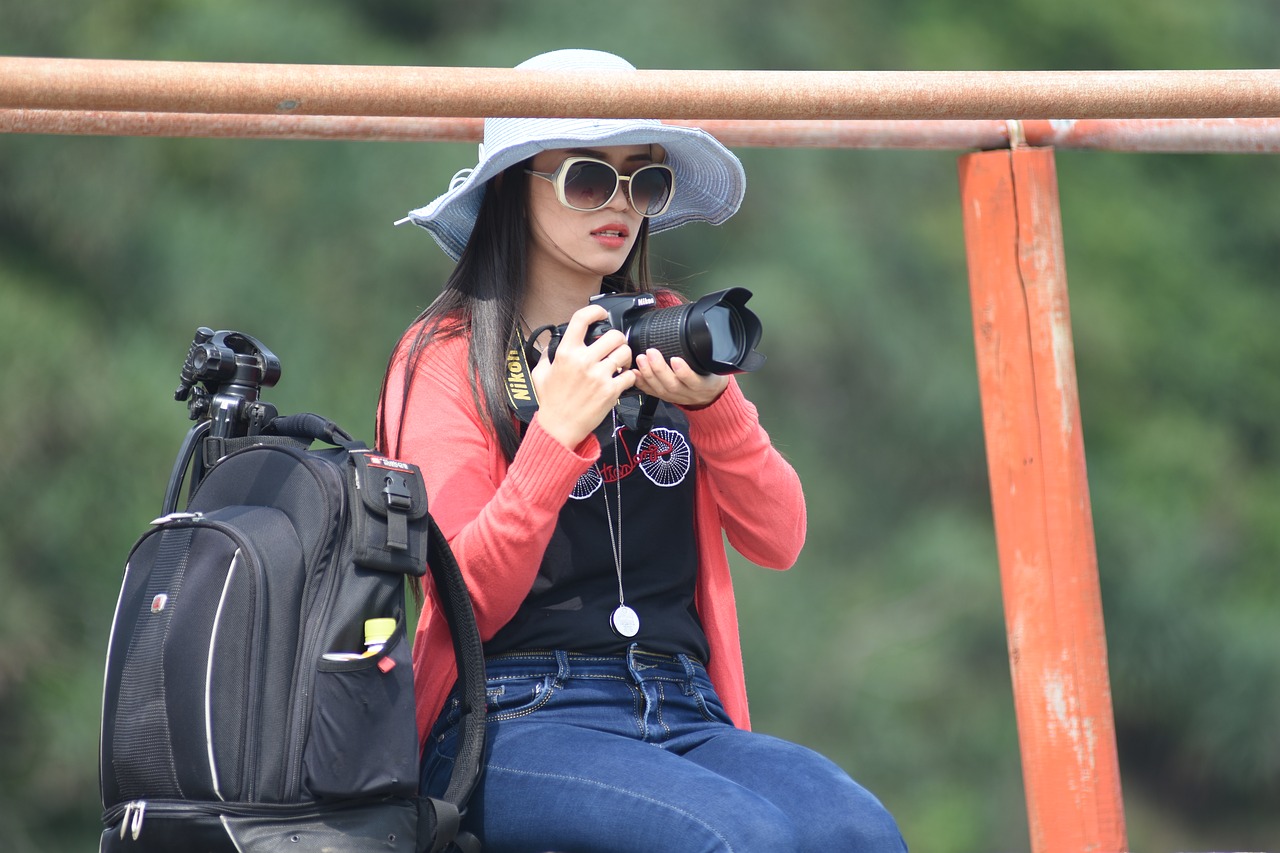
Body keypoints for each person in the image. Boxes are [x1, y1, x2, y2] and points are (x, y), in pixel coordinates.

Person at [379, 48, 907, 853]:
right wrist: (553, 440)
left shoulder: (665, 327)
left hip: (682, 703)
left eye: (644, 180)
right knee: (741, 837)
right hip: (514, 714)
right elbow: (462, 597)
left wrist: (718, 407)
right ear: (512, 188)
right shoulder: (449, 354)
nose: (620, 204)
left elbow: (780, 536)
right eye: (589, 177)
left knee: (859, 831)